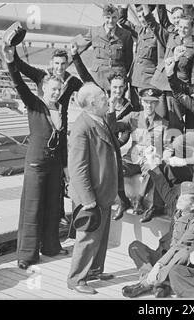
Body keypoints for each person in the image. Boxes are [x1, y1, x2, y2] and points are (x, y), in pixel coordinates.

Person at [2, 44, 69, 270]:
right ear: (44, 89)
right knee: (32, 207)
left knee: (52, 207)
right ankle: (26, 254)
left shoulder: (59, 108)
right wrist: (11, 62)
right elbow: (19, 83)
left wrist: (65, 167)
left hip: (54, 164)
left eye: (58, 90)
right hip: (36, 163)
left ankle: (51, 246)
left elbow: (61, 140)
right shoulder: (35, 105)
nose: (56, 93)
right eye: (52, 89)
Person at [13, 43, 83, 228]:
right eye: (57, 63)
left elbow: (88, 85)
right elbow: (20, 66)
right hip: (42, 126)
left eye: (63, 64)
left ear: (67, 64)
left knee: (60, 171)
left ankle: (59, 213)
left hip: (60, 128)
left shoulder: (72, 81)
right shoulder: (40, 76)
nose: (59, 67)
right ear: (51, 63)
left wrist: (77, 57)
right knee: (42, 171)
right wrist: (11, 48)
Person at [70, 44, 134, 221]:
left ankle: (122, 200)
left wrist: (117, 143)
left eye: (121, 88)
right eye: (114, 88)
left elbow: (122, 131)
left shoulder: (128, 108)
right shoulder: (98, 105)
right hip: (100, 153)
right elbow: (86, 78)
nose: (116, 92)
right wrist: (75, 57)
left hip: (116, 152)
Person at [67, 82, 120, 294]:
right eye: (103, 98)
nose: (107, 98)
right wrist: (87, 198)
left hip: (104, 191)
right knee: (88, 237)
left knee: (101, 234)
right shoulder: (82, 128)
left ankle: (95, 270)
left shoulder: (99, 119)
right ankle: (77, 279)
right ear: (92, 103)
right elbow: (77, 167)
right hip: (91, 194)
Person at [123, 178, 194, 298]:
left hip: (175, 259)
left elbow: (179, 246)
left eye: (183, 198)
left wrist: (159, 265)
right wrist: (154, 168)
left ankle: (145, 284)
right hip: (162, 254)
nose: (179, 198)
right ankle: (160, 284)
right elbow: (163, 188)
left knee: (183, 253)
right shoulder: (178, 209)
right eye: (180, 195)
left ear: (192, 206)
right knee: (135, 247)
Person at [144, 5, 194, 131]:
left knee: (175, 122)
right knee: (158, 120)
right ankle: (157, 147)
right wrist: (145, 5)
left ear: (192, 29)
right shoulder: (171, 37)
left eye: (186, 27)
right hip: (160, 84)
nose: (182, 30)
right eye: (180, 26)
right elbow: (153, 24)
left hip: (176, 88)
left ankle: (174, 148)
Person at [117, 88, 170, 223]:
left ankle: (138, 201)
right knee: (115, 166)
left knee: (151, 168)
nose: (149, 106)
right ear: (141, 102)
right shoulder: (133, 117)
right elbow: (116, 126)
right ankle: (123, 201)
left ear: (157, 104)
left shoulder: (163, 124)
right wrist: (111, 110)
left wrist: (160, 156)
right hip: (132, 159)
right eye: (146, 102)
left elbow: (167, 146)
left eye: (152, 103)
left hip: (147, 160)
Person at [73, 4, 133, 92]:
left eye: (114, 17)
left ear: (118, 17)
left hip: (117, 82)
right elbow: (76, 47)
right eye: (108, 17)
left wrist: (121, 74)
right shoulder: (94, 32)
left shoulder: (126, 35)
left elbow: (129, 60)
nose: (111, 21)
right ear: (103, 17)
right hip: (98, 79)